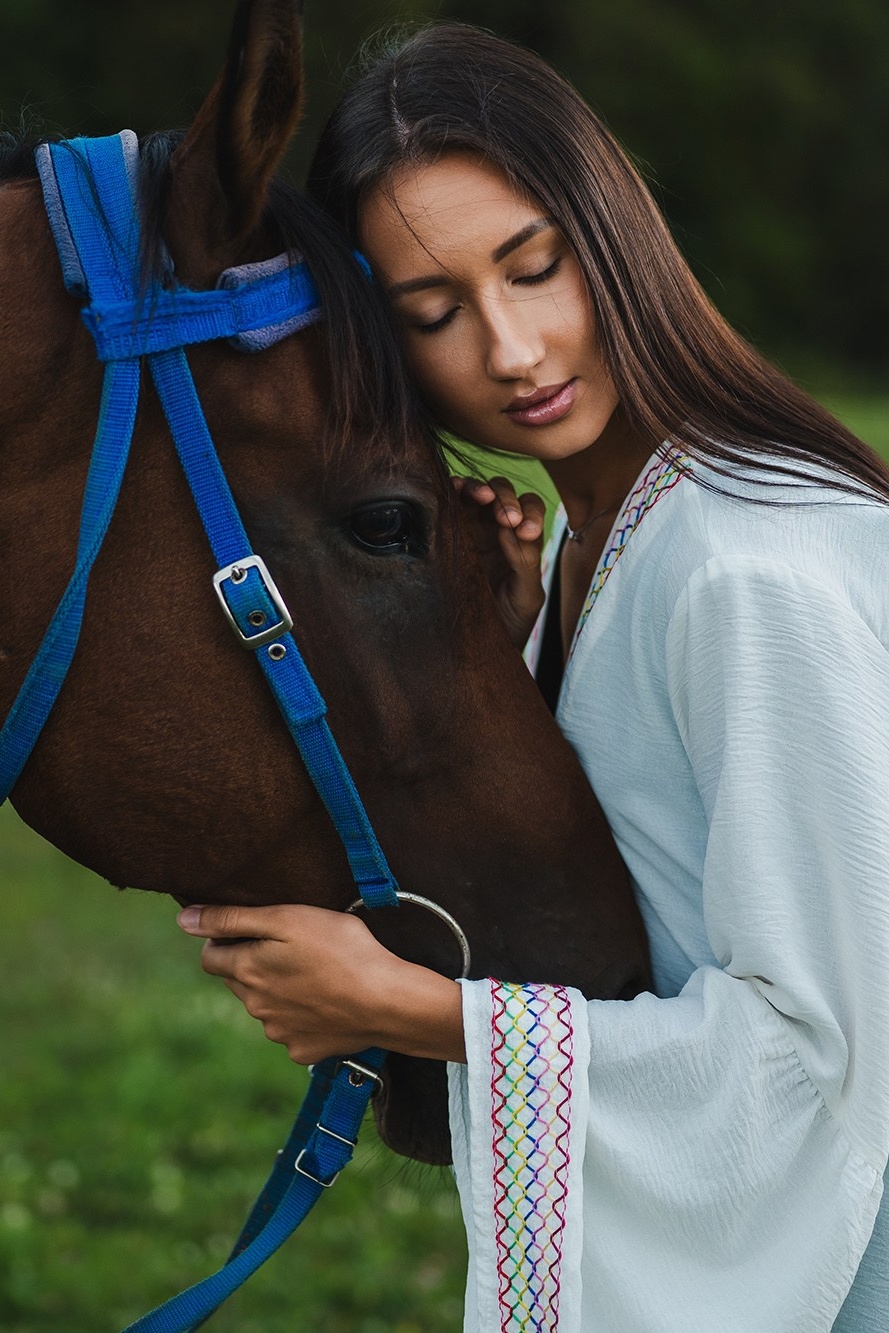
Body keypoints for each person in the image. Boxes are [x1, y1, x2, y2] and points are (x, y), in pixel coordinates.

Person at [174, 23, 889, 1331]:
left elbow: (817, 1061)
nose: (510, 350)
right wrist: (512, 652)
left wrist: (412, 1008)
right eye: (432, 315)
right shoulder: (597, 528)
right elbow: (661, 860)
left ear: (609, 235)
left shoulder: (748, 567)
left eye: (534, 268)